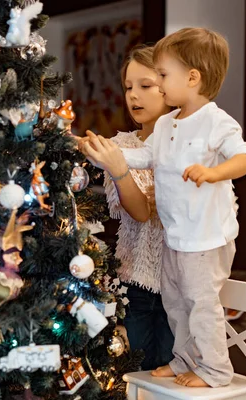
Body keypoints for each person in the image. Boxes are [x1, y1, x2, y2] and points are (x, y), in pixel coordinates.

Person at [81, 28, 246, 388]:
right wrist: (106, 155)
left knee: (200, 304)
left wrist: (213, 172)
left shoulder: (215, 120)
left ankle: (215, 370)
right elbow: (144, 156)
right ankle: (184, 361)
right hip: (178, 238)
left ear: (192, 78)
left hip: (205, 238)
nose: (158, 86)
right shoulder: (166, 125)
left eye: (161, 77)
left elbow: (245, 158)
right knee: (177, 304)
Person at [78, 45, 175, 370]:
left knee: (175, 378)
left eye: (145, 86)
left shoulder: (189, 144)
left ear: (169, 85)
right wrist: (116, 167)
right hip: (136, 285)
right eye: (129, 86)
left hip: (182, 283)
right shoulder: (121, 146)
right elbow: (141, 212)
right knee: (141, 375)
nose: (134, 96)